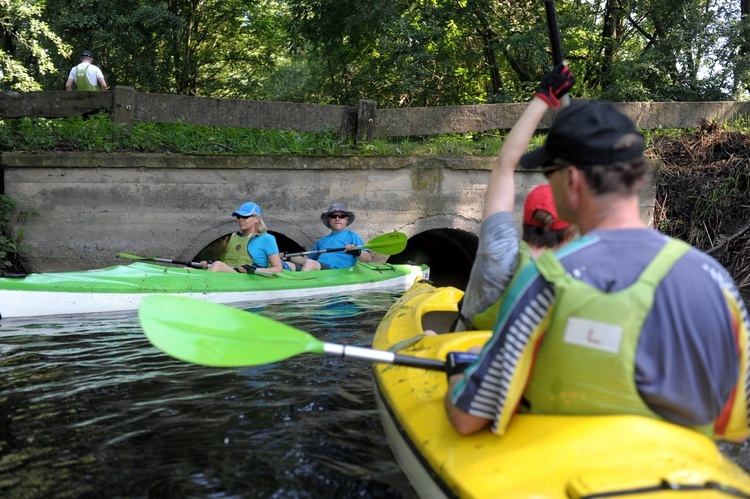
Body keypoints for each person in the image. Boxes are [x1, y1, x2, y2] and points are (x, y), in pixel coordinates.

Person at [444, 64, 750, 443]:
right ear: (636, 176)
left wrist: (457, 373)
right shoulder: (716, 278)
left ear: (571, 179)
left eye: (549, 171)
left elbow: (466, 417)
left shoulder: (546, 281)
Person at [456, 183, 576, 331]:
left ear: (524, 221)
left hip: (470, 334)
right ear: (569, 233)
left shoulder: (501, 252)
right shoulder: (566, 279)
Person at [201, 201, 293, 274]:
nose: (241, 220)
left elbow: (278, 269)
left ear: (256, 219)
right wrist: (209, 264)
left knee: (218, 265)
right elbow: (229, 263)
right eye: (238, 216)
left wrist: (255, 270)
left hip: (250, 276)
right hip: (234, 274)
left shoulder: (267, 239)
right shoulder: (234, 237)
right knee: (188, 268)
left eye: (245, 216)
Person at [285, 203, 373, 271]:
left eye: (341, 216)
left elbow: (368, 258)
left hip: (336, 272)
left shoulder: (352, 236)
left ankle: (300, 288)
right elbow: (307, 258)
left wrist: (357, 252)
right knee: (288, 265)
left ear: (346, 220)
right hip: (318, 268)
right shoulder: (323, 240)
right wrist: (288, 257)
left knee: (310, 264)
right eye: (333, 216)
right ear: (329, 219)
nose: (337, 219)